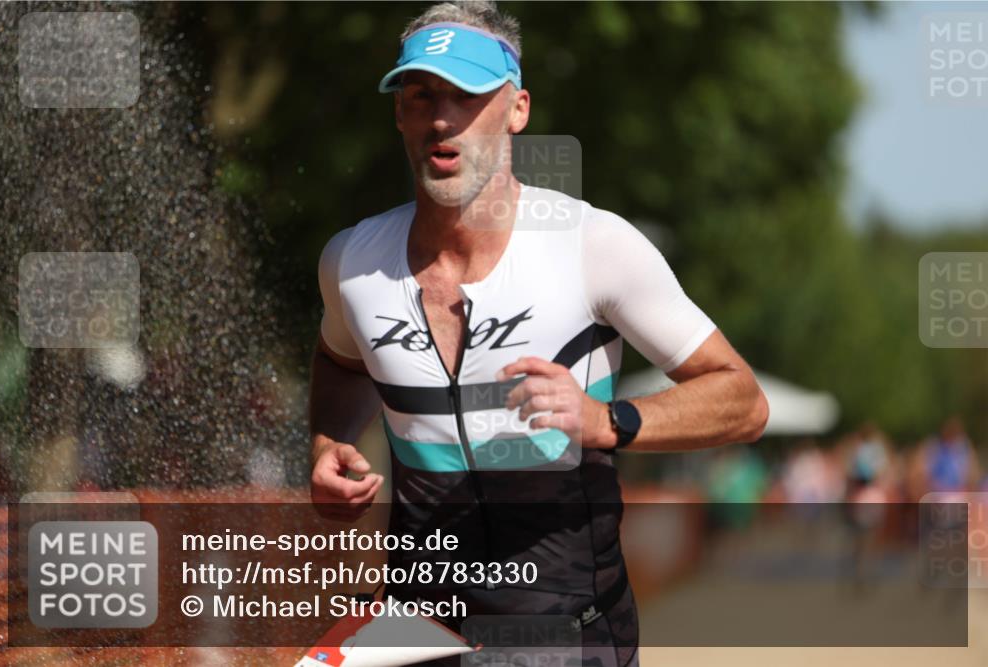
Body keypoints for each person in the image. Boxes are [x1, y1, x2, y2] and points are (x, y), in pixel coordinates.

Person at [308, 3, 768, 665]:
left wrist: (607, 419)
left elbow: (743, 400)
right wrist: (329, 442)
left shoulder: (594, 245)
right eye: (421, 96)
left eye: (466, 95)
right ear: (399, 114)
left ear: (517, 108)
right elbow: (341, 361)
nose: (442, 118)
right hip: (416, 625)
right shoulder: (352, 261)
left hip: (560, 631)